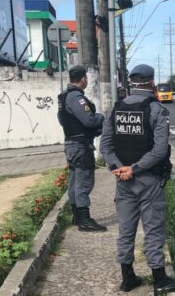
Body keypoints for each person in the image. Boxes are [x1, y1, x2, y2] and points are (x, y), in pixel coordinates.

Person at [100, 64, 175, 294]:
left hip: (123, 181)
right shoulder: (157, 110)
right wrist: (134, 169)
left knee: (126, 229)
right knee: (154, 229)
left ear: (131, 82)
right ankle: (159, 279)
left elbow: (105, 147)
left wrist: (119, 169)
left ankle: (127, 277)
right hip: (147, 180)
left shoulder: (115, 109)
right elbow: (159, 151)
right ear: (151, 83)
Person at [57, 65, 106, 232]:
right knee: (84, 182)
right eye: (86, 78)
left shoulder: (63, 97)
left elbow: (62, 120)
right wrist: (100, 117)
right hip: (80, 145)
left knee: (75, 181)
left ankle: (77, 217)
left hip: (72, 143)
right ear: (83, 79)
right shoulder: (76, 97)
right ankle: (84, 220)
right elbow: (89, 121)